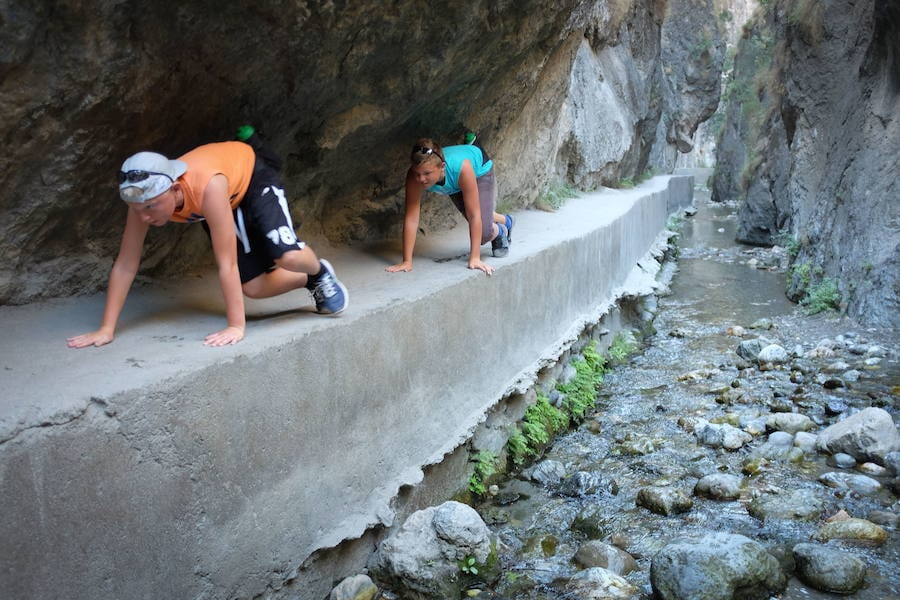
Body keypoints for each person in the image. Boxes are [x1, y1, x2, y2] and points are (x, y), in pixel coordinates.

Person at [67, 128, 349, 348]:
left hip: (253, 177)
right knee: (253, 288)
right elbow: (126, 263)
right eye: (138, 210)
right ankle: (310, 279)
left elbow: (226, 263)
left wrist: (236, 326)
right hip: (229, 196)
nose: (144, 218)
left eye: (151, 207)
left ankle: (318, 270)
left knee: (286, 255)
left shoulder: (206, 187)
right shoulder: (143, 203)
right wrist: (106, 329)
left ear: (175, 188)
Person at [386, 137, 514, 276]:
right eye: (418, 174)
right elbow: (411, 218)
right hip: (455, 182)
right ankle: (504, 221)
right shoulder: (414, 175)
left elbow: (474, 215)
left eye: (427, 173)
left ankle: (500, 230)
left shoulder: (462, 168)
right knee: (479, 216)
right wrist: (407, 261)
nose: (421, 179)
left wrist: (475, 258)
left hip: (478, 171)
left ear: (442, 167)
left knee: (483, 234)